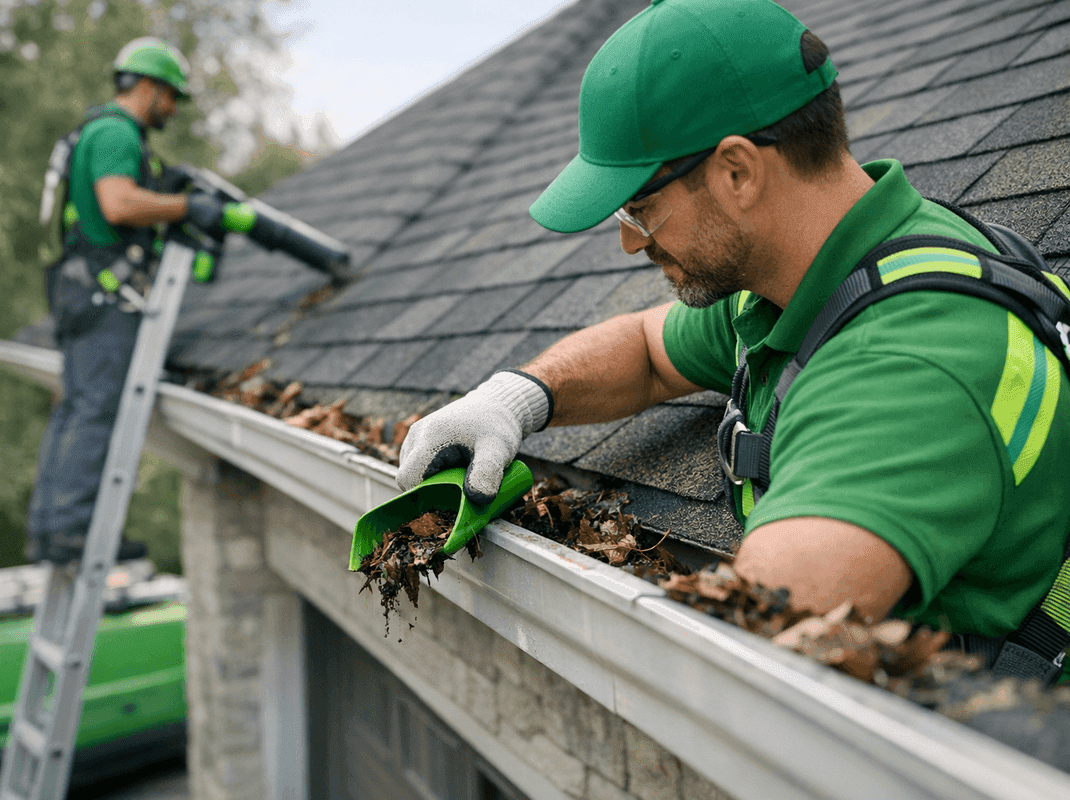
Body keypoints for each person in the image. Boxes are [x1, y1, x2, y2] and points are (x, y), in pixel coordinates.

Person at [397, 0, 1070, 650]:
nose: (631, 243)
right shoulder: (816, 273)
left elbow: (746, 657)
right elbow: (644, 350)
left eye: (640, 208)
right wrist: (511, 400)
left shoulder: (910, 367)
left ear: (739, 171)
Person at [26, 38, 249, 565]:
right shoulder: (116, 132)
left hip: (77, 288)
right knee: (97, 408)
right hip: (103, 296)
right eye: (171, 96)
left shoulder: (95, 130)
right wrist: (187, 208)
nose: (171, 109)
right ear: (148, 87)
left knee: (77, 408)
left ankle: (51, 527)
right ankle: (75, 531)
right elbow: (119, 203)